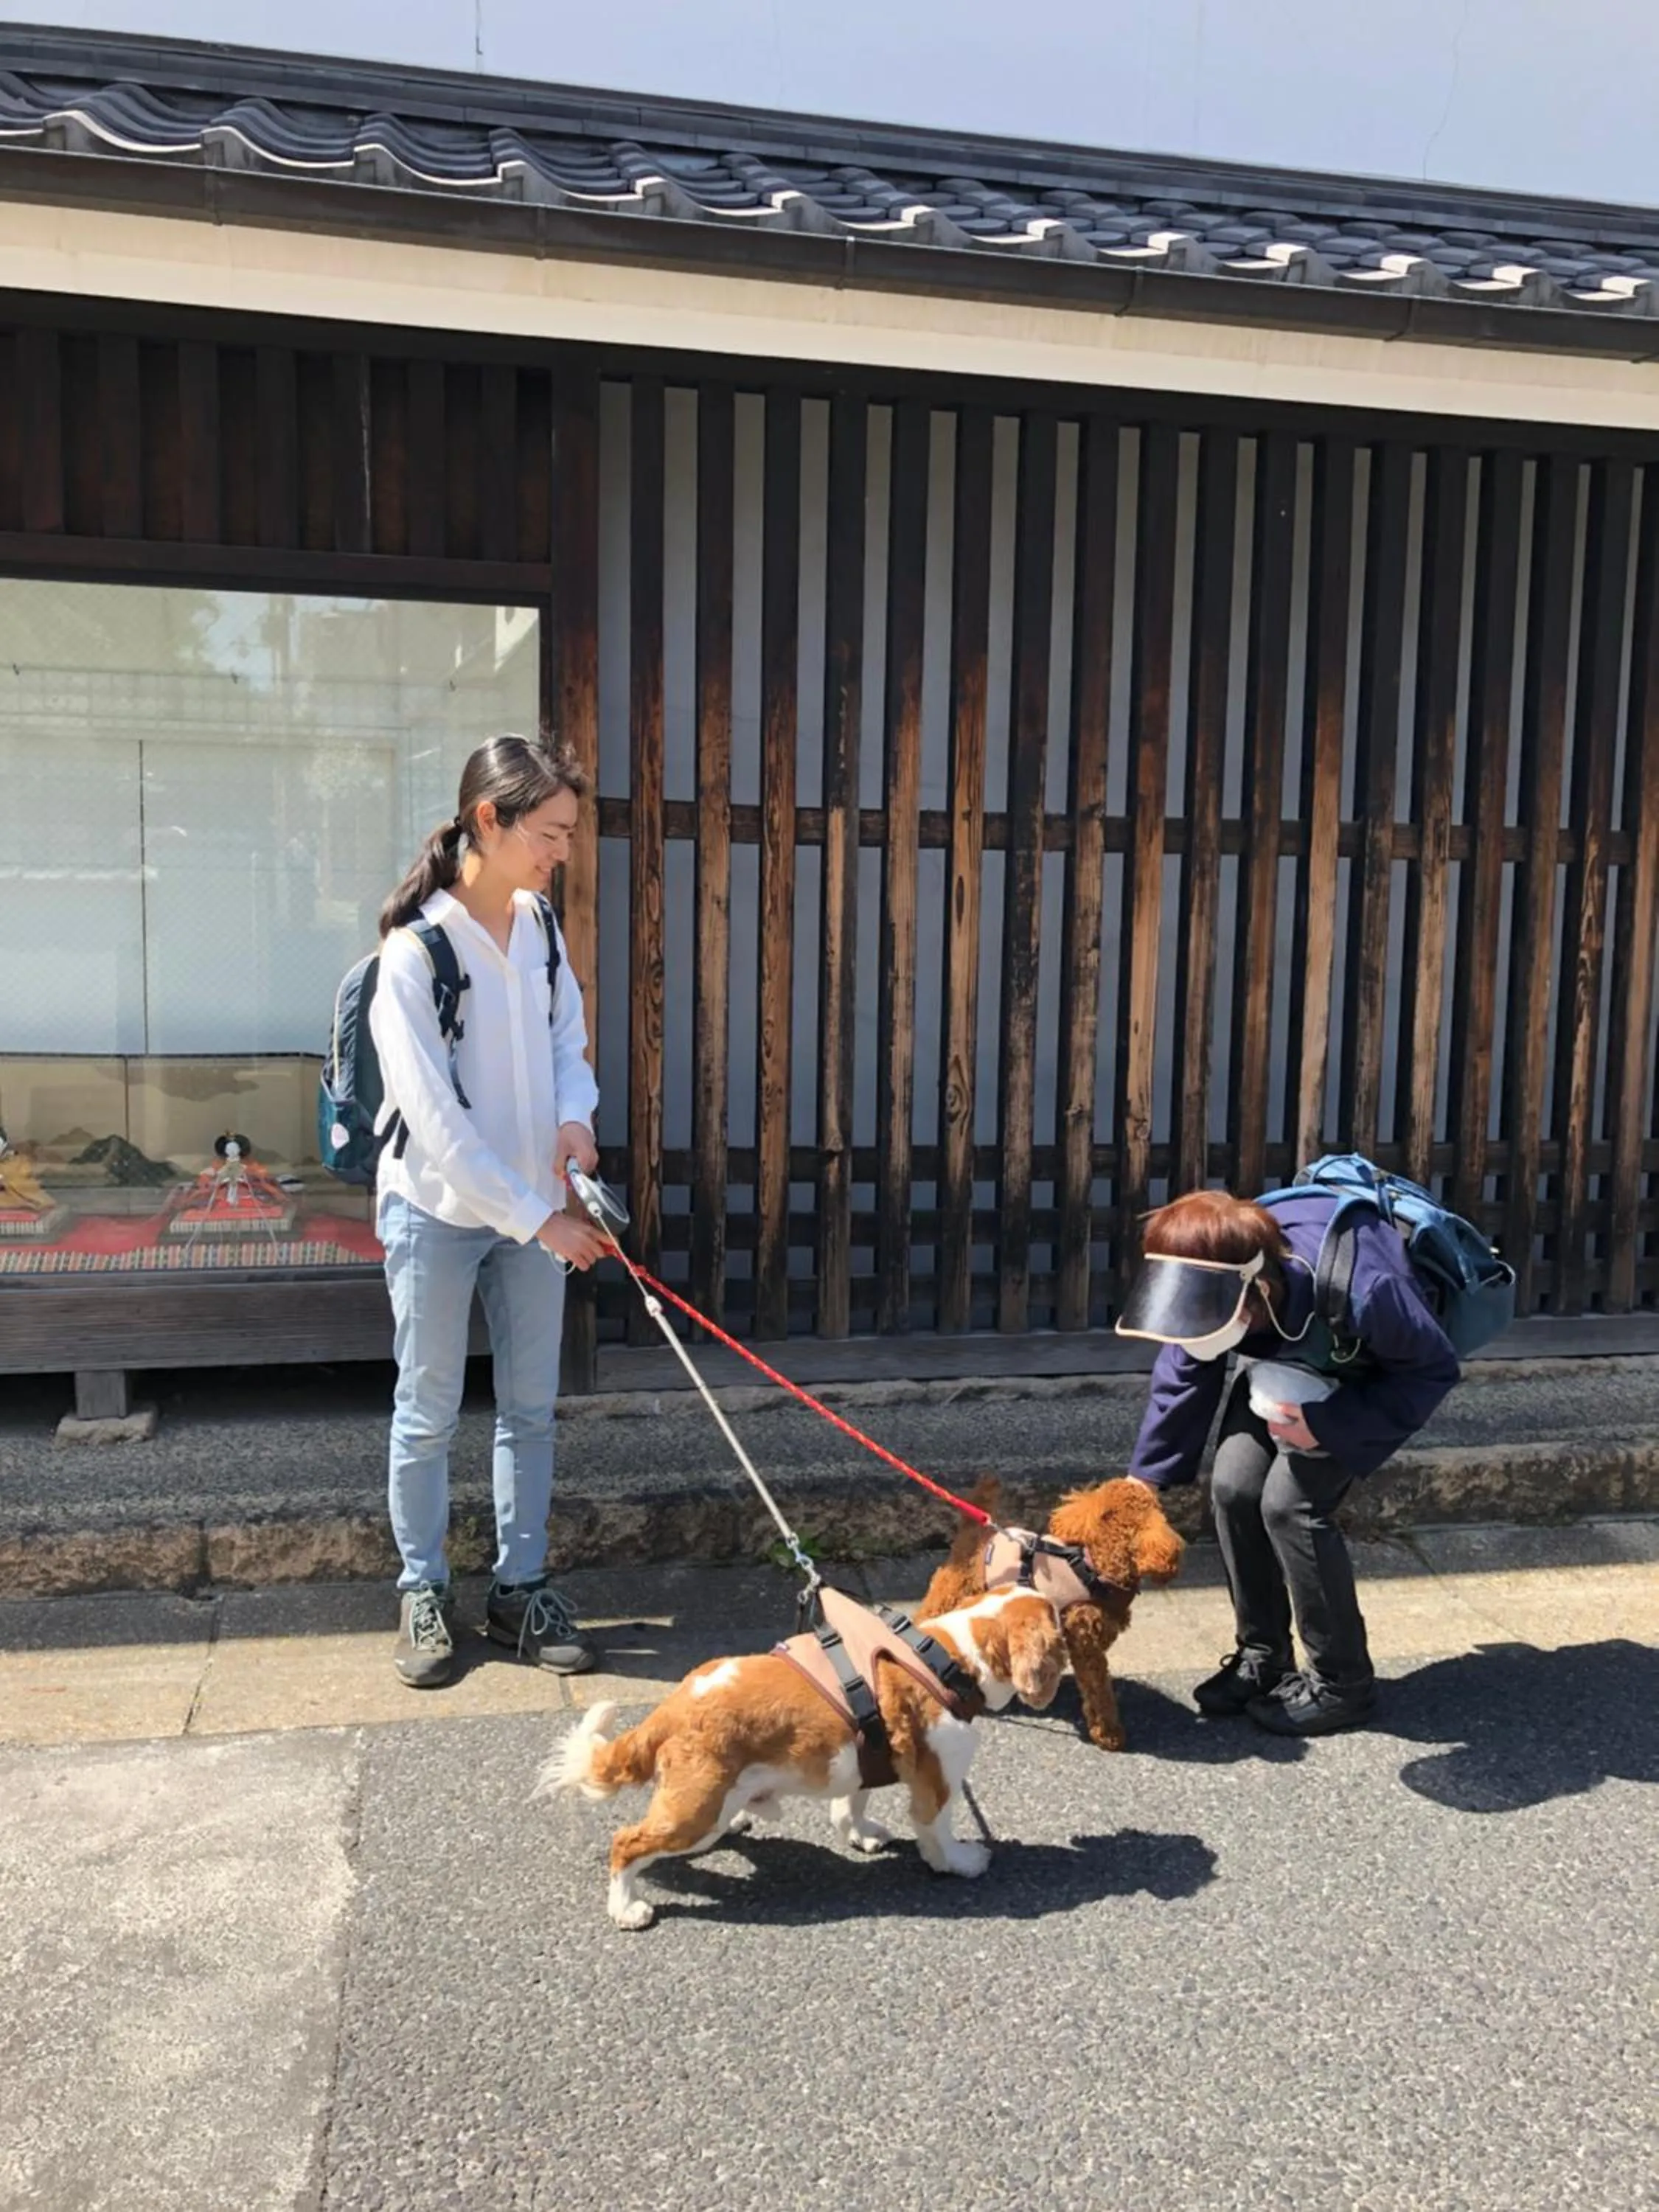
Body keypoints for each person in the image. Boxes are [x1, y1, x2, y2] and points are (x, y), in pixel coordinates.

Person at [370, 734, 611, 1689]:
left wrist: (574, 1123)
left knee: (530, 1410)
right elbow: (436, 1128)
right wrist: (538, 1220)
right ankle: (422, 1588)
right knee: (427, 1411)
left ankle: (519, 1588)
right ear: (489, 821)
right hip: (437, 1211)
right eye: (549, 833)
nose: (561, 851)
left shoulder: (539, 926)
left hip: (535, 1207)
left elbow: (567, 1044)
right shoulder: (413, 954)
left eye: (567, 835)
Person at [1118, 1186, 1459, 1736]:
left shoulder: (1368, 1286)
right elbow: (1186, 1367)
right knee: (1233, 1487)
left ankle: (1342, 1684)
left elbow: (1431, 1369)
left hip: (1360, 1381)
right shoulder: (1211, 1276)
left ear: (1258, 1287)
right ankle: (1263, 1659)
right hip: (1286, 1370)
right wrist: (1143, 1481)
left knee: (1291, 1505)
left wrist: (1327, 1426)